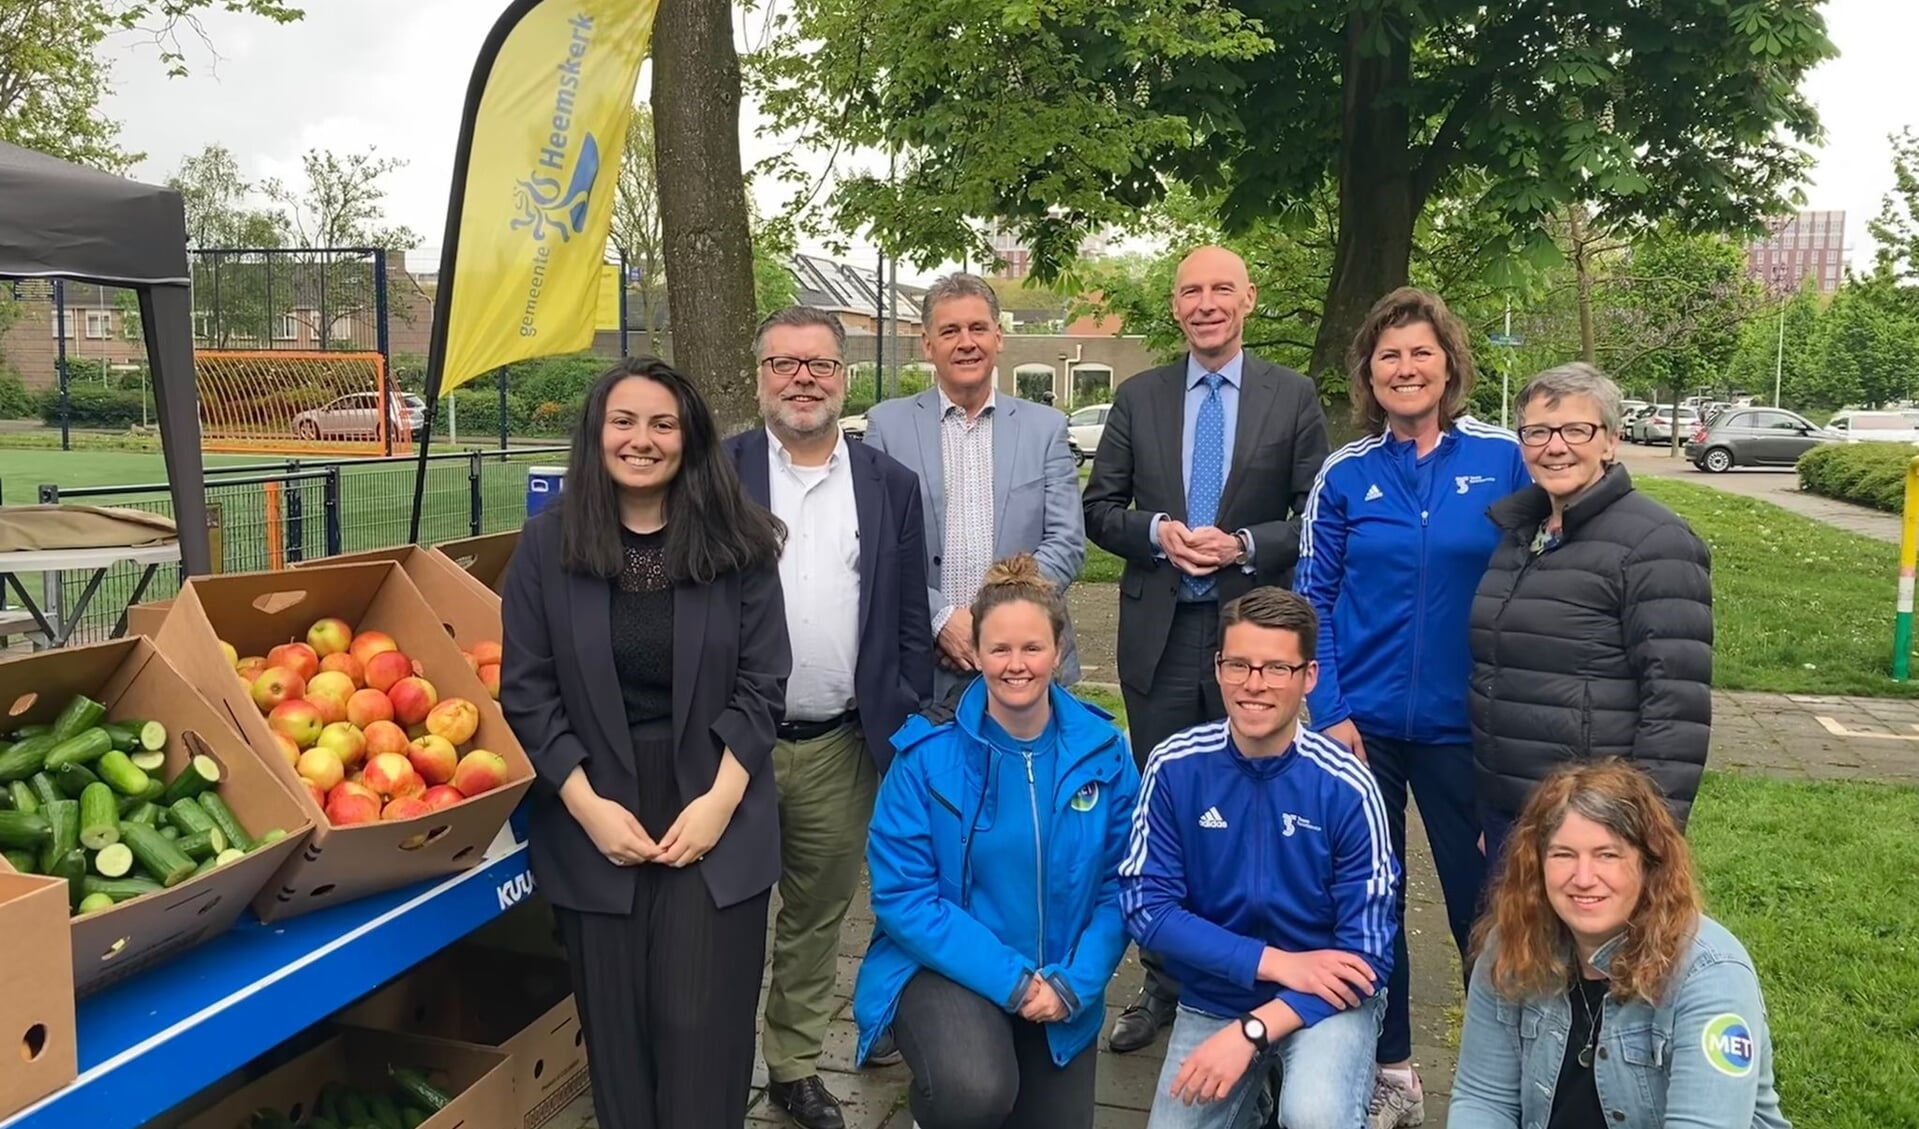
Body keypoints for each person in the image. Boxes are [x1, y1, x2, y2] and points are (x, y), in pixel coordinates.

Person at [500, 357, 791, 1129]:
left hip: (713, 800)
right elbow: (526, 690)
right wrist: (586, 806)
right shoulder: (545, 547)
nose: (642, 439)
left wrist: (719, 803)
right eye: (624, 421)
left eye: (662, 423)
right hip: (593, 804)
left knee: (701, 1035)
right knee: (619, 1044)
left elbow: (763, 685)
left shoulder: (740, 545)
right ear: (596, 434)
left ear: (688, 437)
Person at [1293, 287, 1532, 1127]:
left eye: (1419, 351)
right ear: (1368, 372)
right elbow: (1310, 595)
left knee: (1487, 900)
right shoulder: (1345, 472)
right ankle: (1391, 1069)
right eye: (1388, 354)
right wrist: (1330, 712)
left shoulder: (1504, 460)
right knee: (1371, 898)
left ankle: (1496, 1079)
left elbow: (1547, 570)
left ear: (1448, 363)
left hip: (1469, 728)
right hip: (1360, 731)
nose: (1405, 366)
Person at [1085, 244, 1331, 1054]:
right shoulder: (1138, 395)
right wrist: (1155, 532)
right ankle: (1162, 981)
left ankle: (1253, 977)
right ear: (1175, 305)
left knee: (1254, 806)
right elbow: (1100, 507)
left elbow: (1314, 515)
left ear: (1248, 298)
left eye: (1221, 287)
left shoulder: (1291, 398)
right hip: (1158, 635)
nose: (1205, 302)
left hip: (1251, 636)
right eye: (1190, 290)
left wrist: (1244, 546)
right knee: (1167, 814)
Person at [724, 307, 936, 1129]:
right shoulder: (718, 472)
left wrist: (904, 716)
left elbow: (909, 617)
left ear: (844, 376)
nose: (802, 378)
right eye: (784, 363)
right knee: (727, 912)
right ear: (761, 377)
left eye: (819, 364)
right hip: (730, 745)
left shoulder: (888, 484)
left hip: (841, 742)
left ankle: (793, 1064)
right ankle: (713, 1056)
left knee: (816, 915)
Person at [852, 554, 1141, 1129]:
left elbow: (1124, 885)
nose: (1016, 665)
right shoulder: (924, 758)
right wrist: (1012, 980)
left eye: (1032, 648)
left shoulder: (1106, 756)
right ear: (975, 653)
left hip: (1060, 984)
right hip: (947, 971)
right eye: (1000, 649)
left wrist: (1073, 985)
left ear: (1058, 652)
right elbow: (903, 898)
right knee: (975, 1092)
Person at [1122, 588, 1397, 1129]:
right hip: (1216, 993)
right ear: (1217, 667)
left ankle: (1281, 1085)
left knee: (1316, 1116)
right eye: (1239, 665)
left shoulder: (1347, 785)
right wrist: (1272, 963)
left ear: (1309, 676)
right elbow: (1145, 907)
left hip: (1326, 998)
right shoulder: (1175, 766)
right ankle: (1258, 1096)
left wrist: (1255, 1028)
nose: (1254, 684)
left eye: (1276, 668)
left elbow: (1369, 955)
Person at [1450, 760, 1791, 1129]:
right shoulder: (1511, 946)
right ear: (1537, 864)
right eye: (1563, 854)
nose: (1583, 878)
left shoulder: (1711, 974)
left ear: (1649, 864)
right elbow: (1482, 1100)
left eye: (1607, 855)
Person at [1469, 362, 1712, 860]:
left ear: (1611, 440)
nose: (1555, 446)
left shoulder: (1655, 543)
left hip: (1593, 825)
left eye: (1576, 429)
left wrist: (1646, 836)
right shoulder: (1522, 535)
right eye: (1537, 432)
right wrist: (1494, 811)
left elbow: (1676, 706)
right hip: (1513, 812)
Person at [864, 272, 1087, 700]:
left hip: (1022, 664)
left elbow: (1066, 543)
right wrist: (941, 619)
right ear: (928, 345)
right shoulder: (887, 426)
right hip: (923, 663)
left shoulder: (1045, 428)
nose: (966, 342)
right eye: (950, 331)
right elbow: (877, 546)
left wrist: (994, 624)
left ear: (998, 337)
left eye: (977, 328)